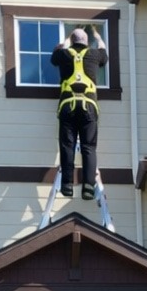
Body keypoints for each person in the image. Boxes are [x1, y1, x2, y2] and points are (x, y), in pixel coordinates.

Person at [50, 26, 108, 200]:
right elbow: (104, 50)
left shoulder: (64, 54)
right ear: (86, 42)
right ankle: (88, 187)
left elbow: (56, 53)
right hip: (89, 106)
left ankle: (67, 185)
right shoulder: (94, 54)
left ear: (72, 41)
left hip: (67, 106)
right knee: (88, 147)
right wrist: (97, 36)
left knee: (67, 145)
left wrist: (67, 38)